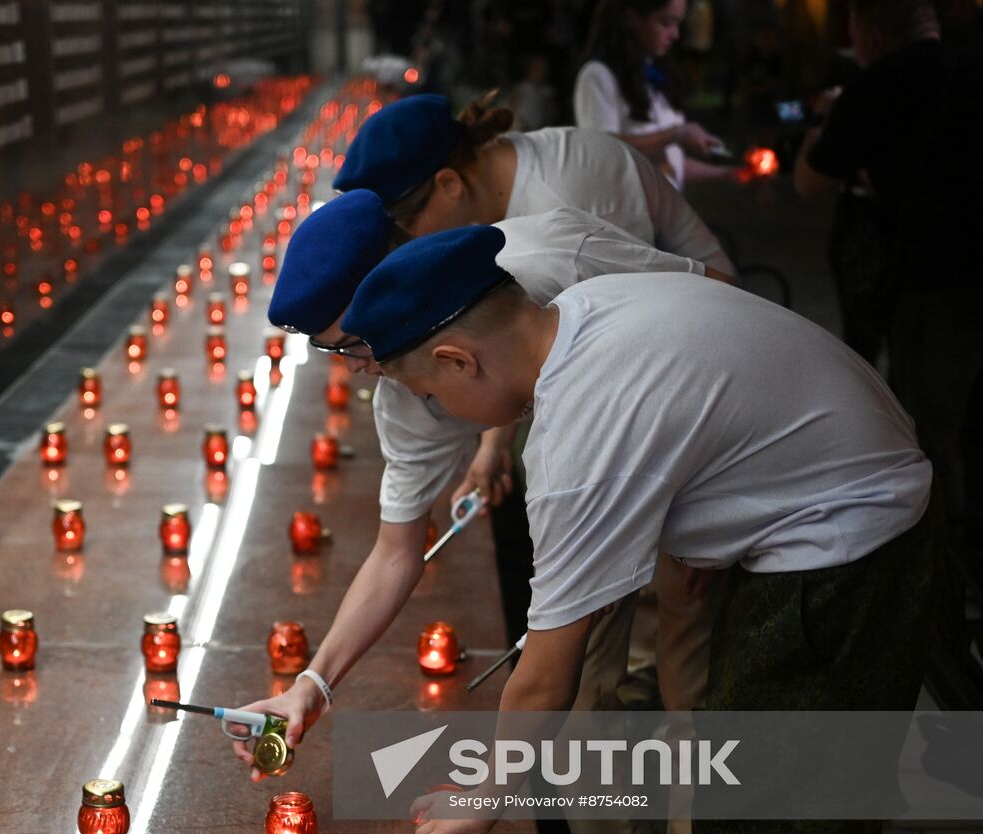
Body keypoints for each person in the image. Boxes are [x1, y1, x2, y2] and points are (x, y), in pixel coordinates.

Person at [342, 224, 947, 834]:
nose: (438, 413)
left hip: (850, 553)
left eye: (429, 394)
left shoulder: (576, 437)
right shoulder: (590, 306)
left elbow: (545, 676)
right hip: (865, 493)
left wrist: (489, 796)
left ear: (457, 360)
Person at [262, 191, 724, 834]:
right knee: (578, 734)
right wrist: (313, 683)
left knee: (697, 709)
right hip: (586, 498)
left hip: (700, 475)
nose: (356, 369)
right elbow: (395, 551)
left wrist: (711, 505)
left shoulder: (553, 257)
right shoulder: (401, 387)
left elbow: (708, 311)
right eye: (335, 351)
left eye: (352, 344)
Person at [794, 0, 983, 564]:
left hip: (930, 279)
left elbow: (810, 180)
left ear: (870, 31)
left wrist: (825, 120)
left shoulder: (875, 86)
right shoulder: (974, 66)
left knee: (930, 424)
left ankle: (943, 568)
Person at [333, 93, 734, 275]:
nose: (413, 239)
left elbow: (631, 331)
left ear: (450, 183)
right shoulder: (506, 177)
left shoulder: (565, 201)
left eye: (407, 226)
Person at [575, 0, 740, 188]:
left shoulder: (654, 77)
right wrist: (675, 134)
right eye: (666, 22)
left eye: (679, 23)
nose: (675, 35)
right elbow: (601, 150)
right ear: (632, 19)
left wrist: (730, 175)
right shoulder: (599, 75)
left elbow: (670, 166)